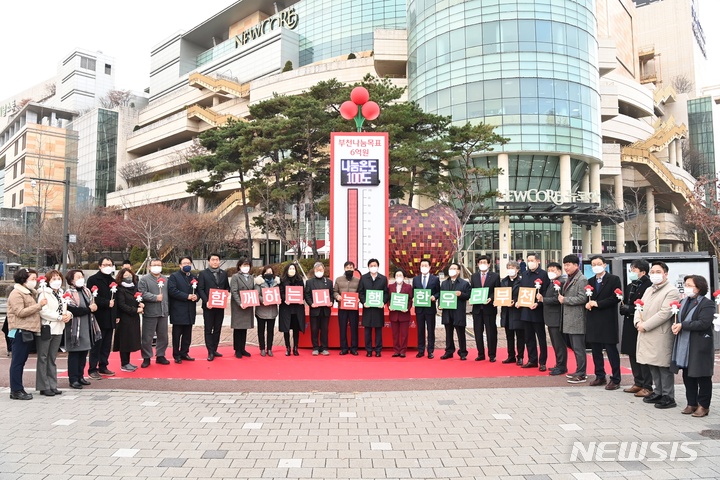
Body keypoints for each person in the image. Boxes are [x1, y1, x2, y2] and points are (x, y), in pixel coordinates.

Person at [635, 261, 681, 409]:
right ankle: (658, 392)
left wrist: (645, 325)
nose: (654, 274)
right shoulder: (649, 289)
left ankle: (668, 396)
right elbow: (639, 306)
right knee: (652, 364)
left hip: (660, 333)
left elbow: (664, 313)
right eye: (652, 272)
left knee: (663, 366)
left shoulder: (671, 291)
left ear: (665, 274)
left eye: (658, 272)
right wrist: (637, 322)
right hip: (645, 331)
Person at [671, 275, 715, 417]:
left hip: (699, 344)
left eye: (690, 285)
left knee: (702, 375)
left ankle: (704, 405)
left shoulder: (707, 303)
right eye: (686, 284)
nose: (686, 287)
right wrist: (676, 324)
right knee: (687, 375)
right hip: (685, 344)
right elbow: (679, 319)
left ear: (699, 287)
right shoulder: (684, 301)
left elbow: (704, 323)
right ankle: (692, 403)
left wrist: (683, 325)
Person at [7, 268, 47, 400]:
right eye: (32, 279)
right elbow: (20, 312)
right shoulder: (17, 293)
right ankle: (16, 390)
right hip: (19, 330)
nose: (34, 281)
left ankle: (18, 389)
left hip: (28, 330)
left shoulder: (30, 293)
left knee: (21, 361)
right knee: (17, 362)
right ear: (23, 280)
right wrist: (39, 305)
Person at [585, 255, 622, 390]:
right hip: (593, 320)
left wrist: (598, 304)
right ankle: (600, 375)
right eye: (593, 264)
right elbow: (587, 298)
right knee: (595, 350)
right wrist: (588, 303)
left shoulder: (613, 279)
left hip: (607, 320)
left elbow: (616, 298)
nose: (596, 266)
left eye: (599, 264)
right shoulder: (590, 281)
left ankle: (616, 378)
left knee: (611, 350)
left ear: (605, 265)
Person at [620, 259, 653, 397]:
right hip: (629, 323)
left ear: (643, 271)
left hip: (641, 323)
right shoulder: (630, 285)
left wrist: (631, 308)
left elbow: (647, 306)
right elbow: (626, 301)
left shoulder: (649, 286)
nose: (631, 272)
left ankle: (647, 385)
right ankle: (637, 382)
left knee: (642, 355)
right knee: (632, 353)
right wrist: (623, 308)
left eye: (634, 270)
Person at [35, 270, 72, 396]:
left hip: (58, 328)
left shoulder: (61, 293)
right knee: (43, 357)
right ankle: (43, 385)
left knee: (52, 357)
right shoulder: (44, 293)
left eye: (58, 278)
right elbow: (43, 311)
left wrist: (68, 315)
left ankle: (52, 384)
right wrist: (59, 317)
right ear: (48, 281)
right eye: (53, 278)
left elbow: (66, 308)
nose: (57, 280)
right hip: (47, 327)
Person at [64, 269, 99, 390]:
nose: (81, 279)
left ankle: (80, 376)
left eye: (81, 276)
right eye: (77, 277)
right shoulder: (69, 293)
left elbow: (91, 305)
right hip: (75, 326)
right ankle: (73, 378)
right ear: (71, 280)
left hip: (87, 324)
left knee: (84, 352)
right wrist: (89, 309)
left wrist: (93, 307)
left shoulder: (86, 291)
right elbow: (74, 309)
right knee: (75, 353)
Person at [559, 254, 589, 384]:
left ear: (576, 265)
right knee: (574, 347)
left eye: (568, 265)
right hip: (570, 319)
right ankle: (578, 370)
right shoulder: (570, 278)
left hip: (577, 319)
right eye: (565, 265)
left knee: (579, 348)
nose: (566, 267)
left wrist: (565, 300)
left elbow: (583, 298)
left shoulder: (581, 279)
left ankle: (581, 373)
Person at [517, 252, 549, 370]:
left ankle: (543, 362)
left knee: (541, 337)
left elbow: (545, 291)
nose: (530, 262)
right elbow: (522, 290)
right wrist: (519, 301)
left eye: (532, 260)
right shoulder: (524, 274)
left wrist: (539, 303)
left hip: (537, 310)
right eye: (528, 260)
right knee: (528, 337)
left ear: (538, 261)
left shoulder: (543, 274)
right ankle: (532, 359)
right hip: (526, 310)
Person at [86, 257, 116, 380]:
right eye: (105, 264)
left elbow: (116, 300)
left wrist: (116, 315)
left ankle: (103, 365)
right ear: (99, 266)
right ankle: (93, 368)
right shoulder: (93, 280)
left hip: (110, 317)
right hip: (98, 316)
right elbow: (92, 297)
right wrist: (106, 303)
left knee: (107, 344)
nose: (107, 266)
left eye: (110, 264)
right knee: (96, 344)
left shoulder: (113, 281)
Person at [138, 258, 170, 368]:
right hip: (150, 312)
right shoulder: (144, 280)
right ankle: (146, 357)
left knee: (163, 336)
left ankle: (160, 355)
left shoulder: (165, 279)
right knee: (147, 337)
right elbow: (142, 293)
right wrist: (155, 297)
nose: (156, 267)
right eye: (154, 265)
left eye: (158, 265)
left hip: (163, 312)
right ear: (149, 267)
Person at [536, 262, 567, 376]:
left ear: (559, 271)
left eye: (553, 270)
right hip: (550, 317)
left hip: (556, 317)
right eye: (549, 270)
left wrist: (543, 299)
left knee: (559, 343)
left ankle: (561, 366)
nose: (551, 272)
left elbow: (556, 299)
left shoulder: (560, 283)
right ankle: (559, 364)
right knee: (555, 342)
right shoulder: (551, 282)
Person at [198, 253, 230, 361]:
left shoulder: (224, 273)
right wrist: (206, 301)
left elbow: (227, 287)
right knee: (208, 329)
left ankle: (215, 348)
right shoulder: (203, 274)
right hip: (208, 307)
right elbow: (200, 289)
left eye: (217, 259)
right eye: (213, 260)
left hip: (220, 306)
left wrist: (226, 295)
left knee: (218, 328)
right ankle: (210, 351)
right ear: (209, 261)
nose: (215, 261)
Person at [168, 256, 200, 363]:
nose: (187, 265)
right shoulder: (174, 276)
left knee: (187, 334)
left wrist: (196, 297)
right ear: (180, 265)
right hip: (178, 310)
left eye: (189, 263)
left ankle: (184, 352)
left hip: (190, 310)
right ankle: (176, 354)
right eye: (184, 263)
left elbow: (198, 291)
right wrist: (187, 296)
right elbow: (172, 291)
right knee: (177, 334)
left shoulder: (193, 277)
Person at [470, 255, 501, 362]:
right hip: (477, 309)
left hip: (489, 308)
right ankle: (480, 354)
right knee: (478, 332)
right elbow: (472, 290)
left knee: (491, 332)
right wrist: (471, 298)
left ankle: (492, 355)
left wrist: (491, 298)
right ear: (478, 264)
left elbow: (497, 290)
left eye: (485, 262)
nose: (482, 264)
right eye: (480, 262)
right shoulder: (474, 276)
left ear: (489, 264)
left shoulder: (495, 276)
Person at [439, 262, 471, 360]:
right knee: (448, 333)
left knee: (460, 333)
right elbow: (441, 295)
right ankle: (449, 351)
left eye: (454, 268)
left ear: (458, 271)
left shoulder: (464, 283)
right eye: (450, 268)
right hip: (447, 311)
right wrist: (439, 305)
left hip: (458, 311)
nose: (452, 270)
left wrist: (461, 294)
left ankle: (463, 352)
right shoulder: (444, 283)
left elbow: (469, 295)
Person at [357, 258, 389, 357]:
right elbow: (360, 292)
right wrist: (364, 302)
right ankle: (369, 350)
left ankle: (378, 350)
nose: (373, 267)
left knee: (378, 330)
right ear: (368, 267)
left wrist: (383, 302)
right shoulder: (364, 278)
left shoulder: (383, 278)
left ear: (378, 266)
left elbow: (386, 293)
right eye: (371, 265)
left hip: (378, 309)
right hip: (368, 308)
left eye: (375, 265)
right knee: (367, 330)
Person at [113, 268, 143, 372]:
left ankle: (128, 362)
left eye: (129, 275)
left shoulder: (134, 287)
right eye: (125, 275)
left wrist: (141, 303)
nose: (128, 277)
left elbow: (137, 299)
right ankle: (124, 363)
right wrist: (135, 310)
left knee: (130, 341)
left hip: (134, 318)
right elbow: (121, 305)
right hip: (124, 318)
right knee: (124, 342)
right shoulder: (120, 289)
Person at [411, 258, 441, 359]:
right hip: (419, 309)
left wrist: (435, 297)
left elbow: (438, 292)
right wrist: (414, 297)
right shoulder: (415, 279)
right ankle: (420, 350)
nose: (424, 267)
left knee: (430, 330)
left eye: (425, 265)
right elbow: (413, 292)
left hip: (430, 309)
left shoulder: (435, 279)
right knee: (420, 330)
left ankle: (430, 351)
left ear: (429, 267)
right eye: (422, 266)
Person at [304, 262, 334, 356]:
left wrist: (331, 302)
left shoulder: (329, 282)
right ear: (314, 271)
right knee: (314, 329)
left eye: (321, 270)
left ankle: (324, 347)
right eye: (317, 270)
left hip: (325, 310)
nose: (319, 271)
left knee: (324, 329)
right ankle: (315, 347)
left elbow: (331, 294)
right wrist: (311, 304)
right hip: (315, 310)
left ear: (324, 270)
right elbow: (307, 294)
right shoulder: (309, 282)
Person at [499, 260, 524, 365]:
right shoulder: (503, 281)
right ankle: (511, 355)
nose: (510, 269)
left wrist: (515, 301)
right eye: (509, 267)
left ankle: (520, 357)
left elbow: (524, 293)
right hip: (506, 312)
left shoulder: (522, 281)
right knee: (509, 336)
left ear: (517, 269)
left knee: (520, 336)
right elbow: (499, 294)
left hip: (518, 311)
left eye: (513, 267)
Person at [229, 257, 255, 358]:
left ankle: (243, 348)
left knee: (244, 328)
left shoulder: (251, 277)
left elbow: (253, 290)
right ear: (239, 266)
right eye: (244, 265)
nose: (246, 267)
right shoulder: (235, 277)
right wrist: (240, 303)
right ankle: (237, 349)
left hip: (248, 305)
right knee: (238, 328)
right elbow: (234, 291)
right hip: (238, 306)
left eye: (247, 265)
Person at [333, 261, 360, 355]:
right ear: (344, 269)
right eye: (347, 267)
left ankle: (354, 348)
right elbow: (334, 291)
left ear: (354, 269)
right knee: (342, 328)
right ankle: (344, 348)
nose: (349, 269)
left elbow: (360, 292)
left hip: (353, 308)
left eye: (351, 267)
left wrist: (359, 298)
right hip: (342, 308)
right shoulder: (338, 279)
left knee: (354, 328)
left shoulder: (358, 280)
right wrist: (337, 297)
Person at [279, 263, 306, 356]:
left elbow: (303, 291)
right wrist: (284, 299)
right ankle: (288, 347)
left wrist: (301, 299)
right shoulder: (282, 280)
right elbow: (280, 292)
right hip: (286, 307)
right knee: (286, 328)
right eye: (290, 268)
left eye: (293, 268)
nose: (292, 270)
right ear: (287, 270)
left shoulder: (299, 280)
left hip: (297, 308)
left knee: (296, 328)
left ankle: (295, 347)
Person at [255, 265, 280, 356]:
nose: (269, 274)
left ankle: (269, 348)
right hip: (261, 310)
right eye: (267, 272)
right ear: (263, 273)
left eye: (270, 272)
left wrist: (278, 299)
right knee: (261, 330)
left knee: (270, 331)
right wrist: (263, 301)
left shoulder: (276, 283)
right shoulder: (259, 283)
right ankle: (262, 348)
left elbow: (279, 294)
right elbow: (256, 294)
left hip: (272, 311)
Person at [389, 269, 413, 358]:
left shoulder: (408, 287)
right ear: (394, 277)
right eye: (397, 275)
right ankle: (396, 350)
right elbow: (388, 299)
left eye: (400, 275)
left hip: (404, 314)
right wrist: (389, 306)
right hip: (394, 314)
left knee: (404, 334)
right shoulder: (390, 286)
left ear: (404, 277)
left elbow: (410, 300)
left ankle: (403, 351)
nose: (399, 277)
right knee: (395, 334)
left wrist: (407, 308)